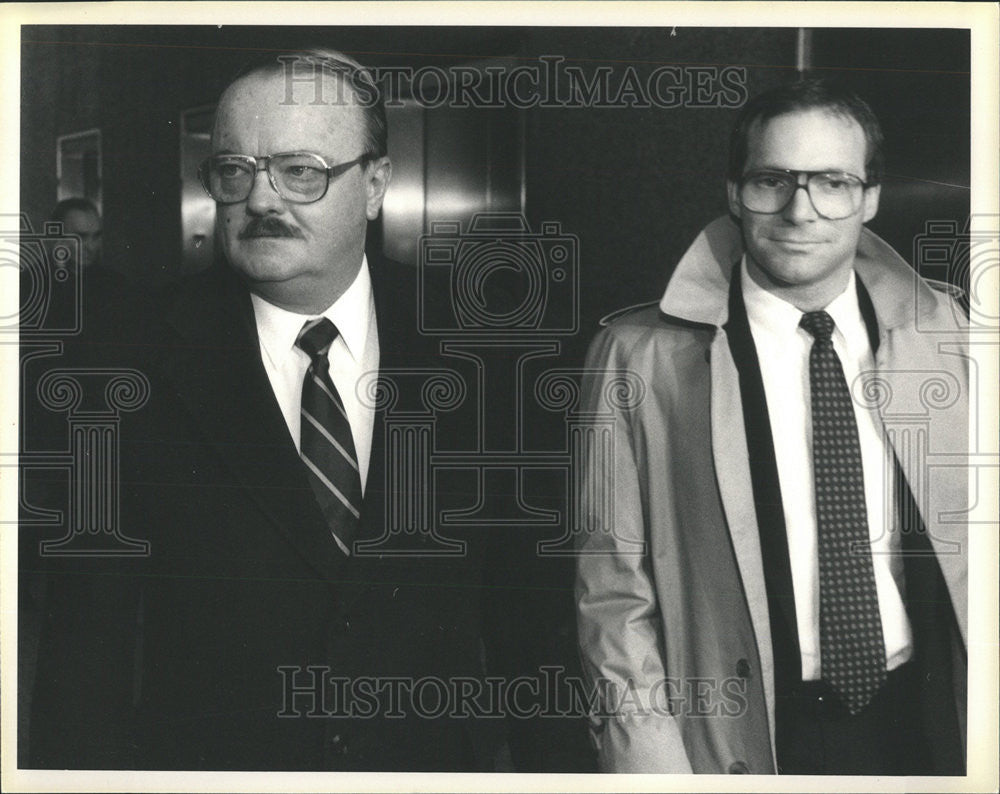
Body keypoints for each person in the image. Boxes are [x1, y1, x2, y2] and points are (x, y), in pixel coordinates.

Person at [27, 49, 510, 771]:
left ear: (376, 183)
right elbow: (83, 654)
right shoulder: (126, 364)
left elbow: (526, 619)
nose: (260, 200)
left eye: (301, 170)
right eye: (234, 171)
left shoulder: (476, 346)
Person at [575, 79, 968, 775]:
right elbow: (613, 593)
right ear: (734, 192)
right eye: (772, 181)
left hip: (930, 721)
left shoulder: (944, 330)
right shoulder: (640, 356)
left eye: (833, 182)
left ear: (870, 198)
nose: (800, 209)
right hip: (748, 741)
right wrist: (651, 764)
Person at [51, 197, 103, 269]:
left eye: (96, 237)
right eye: (81, 237)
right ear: (57, 237)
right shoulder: (34, 277)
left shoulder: (113, 279)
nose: (91, 247)